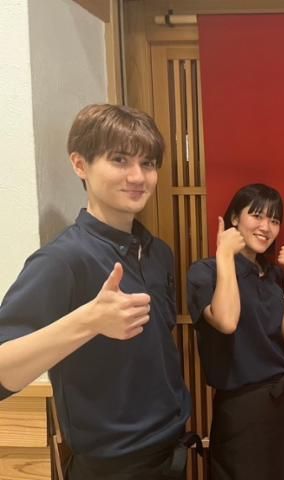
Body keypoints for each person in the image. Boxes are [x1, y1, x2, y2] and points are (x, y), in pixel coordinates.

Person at [0, 104, 192, 479]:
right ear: (80, 164)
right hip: (111, 468)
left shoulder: (158, 253)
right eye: (120, 160)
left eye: (148, 163)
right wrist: (88, 321)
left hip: (171, 452)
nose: (137, 176)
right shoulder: (63, 259)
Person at [187, 183, 284, 480]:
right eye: (256, 216)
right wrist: (224, 256)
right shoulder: (204, 272)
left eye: (274, 220)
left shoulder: (274, 275)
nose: (266, 227)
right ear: (235, 218)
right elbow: (226, 321)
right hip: (241, 408)